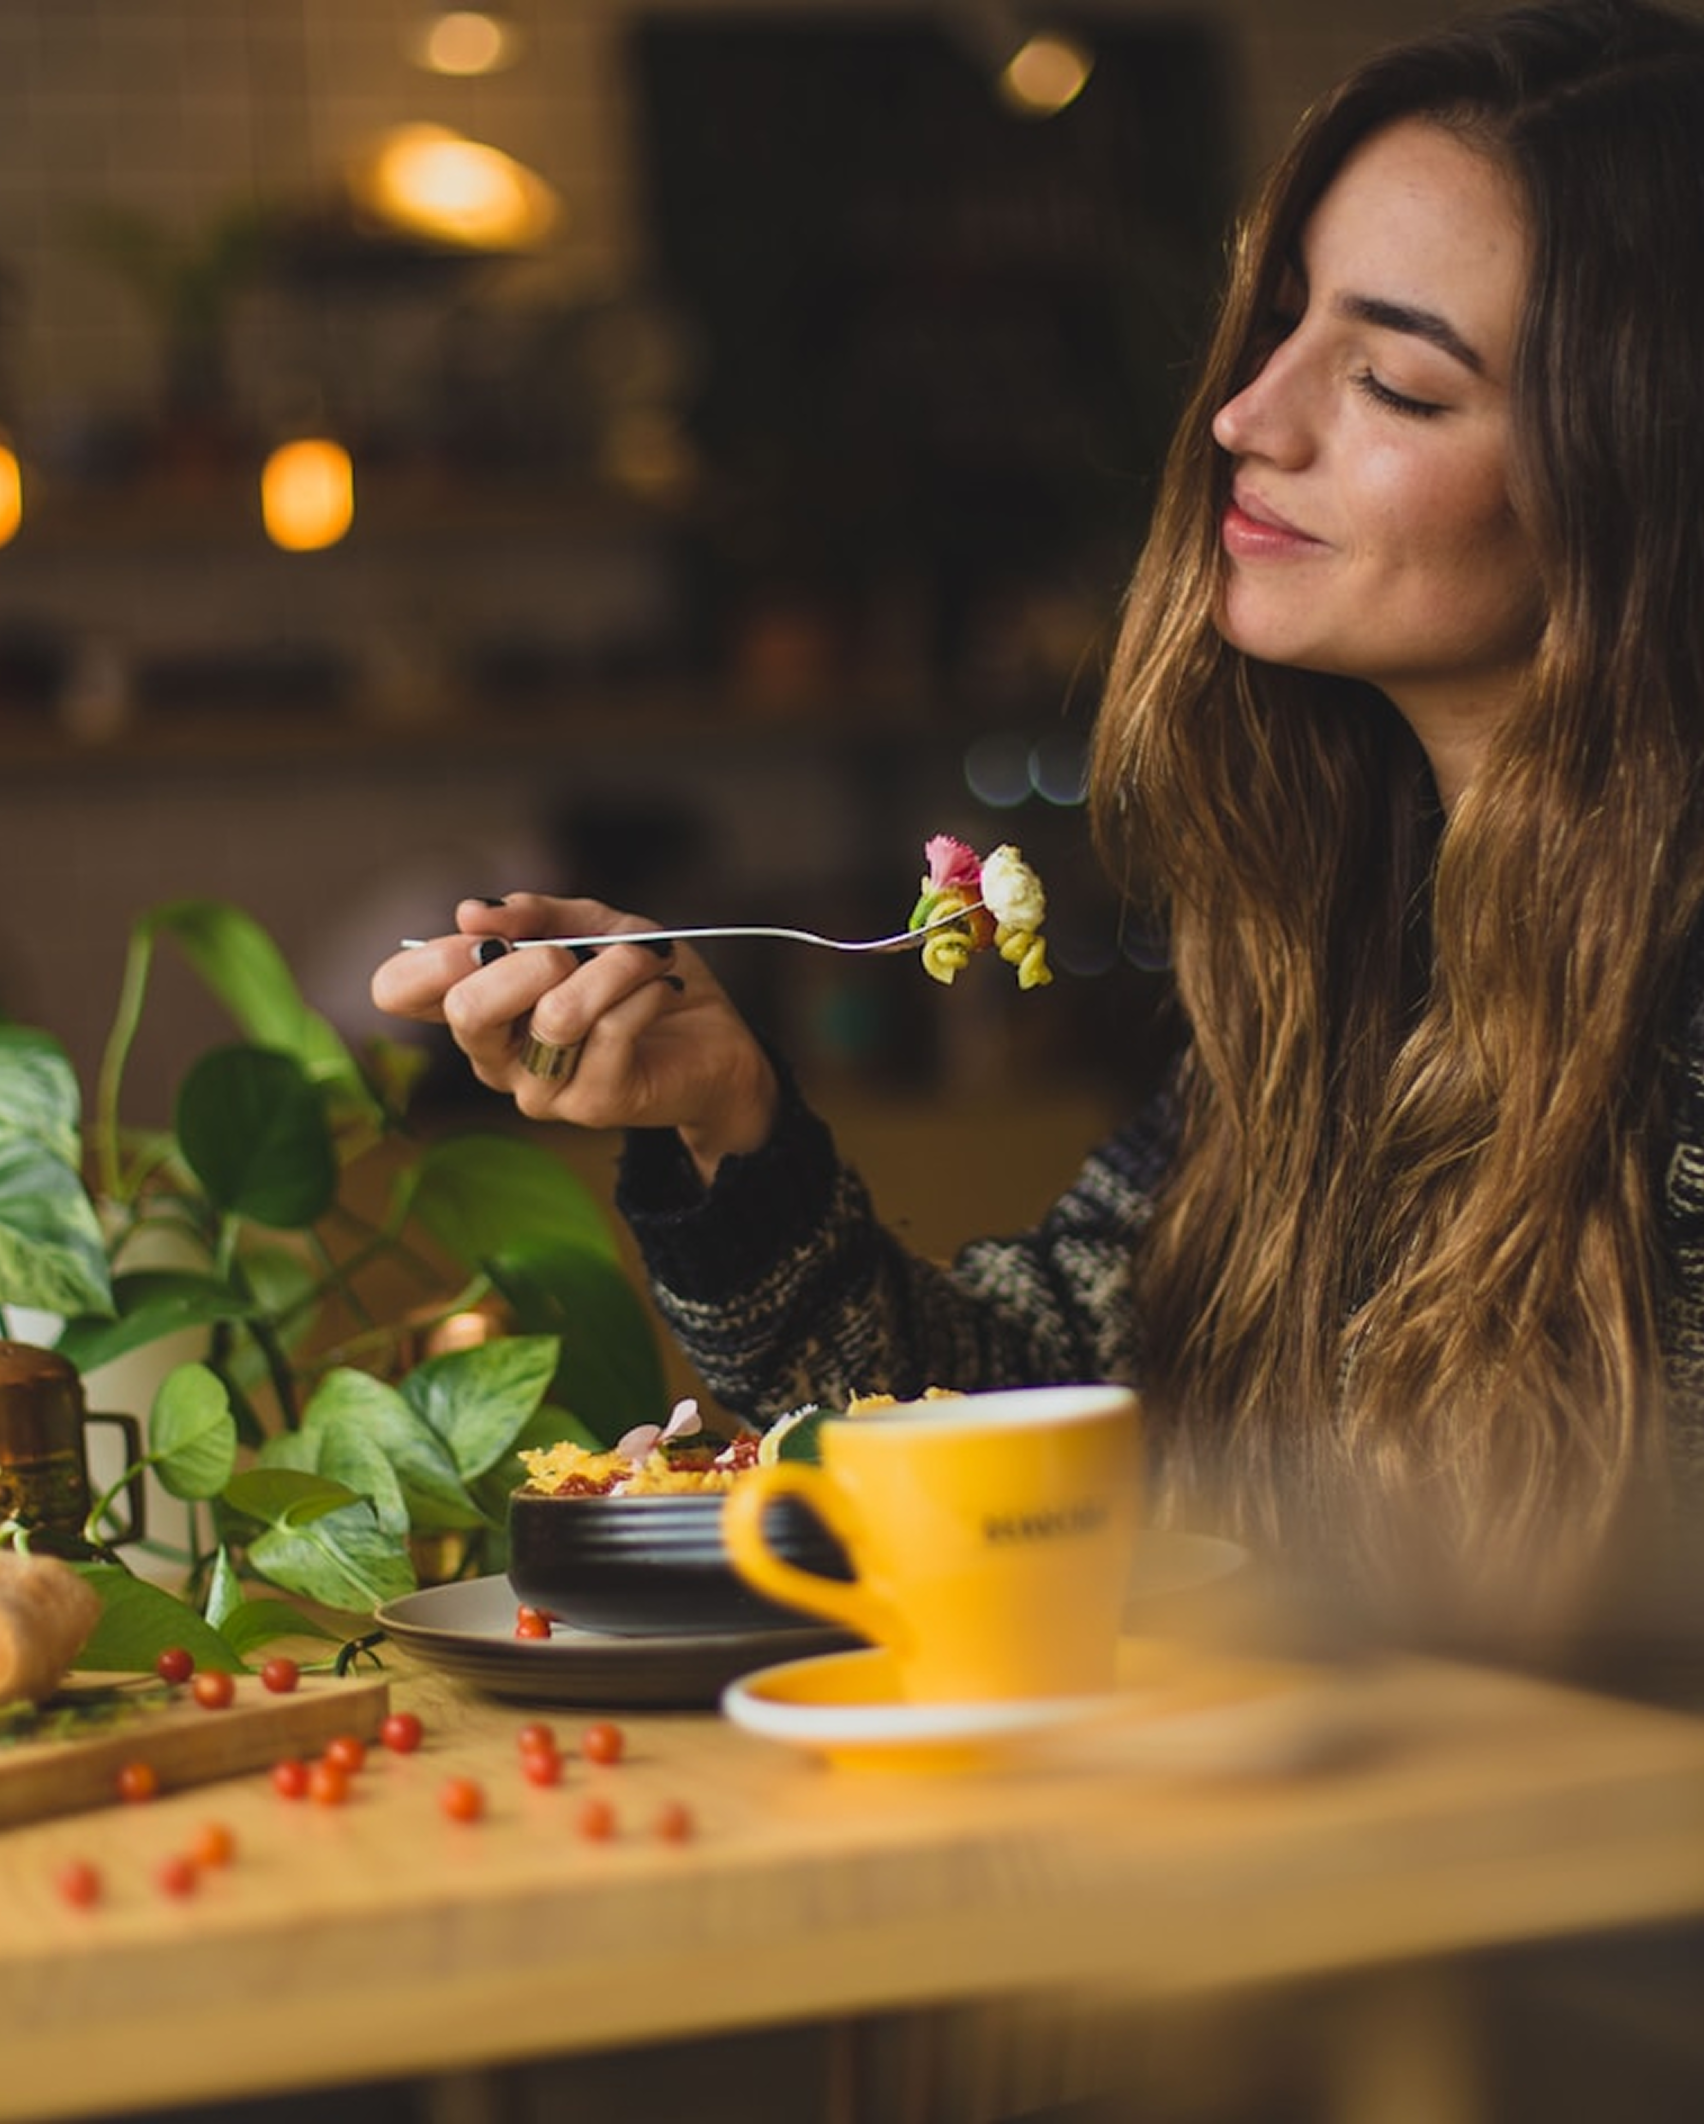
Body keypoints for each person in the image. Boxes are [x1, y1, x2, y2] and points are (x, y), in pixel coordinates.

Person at [373, 0, 1704, 1643]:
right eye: (1279, 325)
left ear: (1642, 475)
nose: (1248, 415)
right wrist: (731, 1128)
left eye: (1394, 385)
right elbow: (1016, 1403)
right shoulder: (1351, 951)